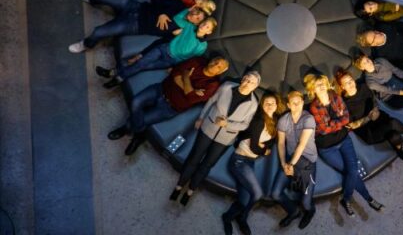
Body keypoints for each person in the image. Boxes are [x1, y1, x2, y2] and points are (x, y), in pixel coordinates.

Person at [170, 71, 261, 206]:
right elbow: (211, 101)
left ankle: (190, 190)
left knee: (208, 164)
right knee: (194, 158)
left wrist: (227, 124)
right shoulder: (227, 87)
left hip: (225, 138)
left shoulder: (253, 103)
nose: (248, 83)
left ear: (255, 86)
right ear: (242, 79)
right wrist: (201, 117)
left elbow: (245, 124)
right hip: (208, 128)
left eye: (252, 82)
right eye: (247, 79)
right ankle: (179, 186)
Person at [107, 56, 229, 155]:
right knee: (135, 102)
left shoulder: (212, 85)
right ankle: (140, 134)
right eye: (215, 60)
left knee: (142, 119)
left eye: (219, 66)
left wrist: (185, 76)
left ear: (221, 71)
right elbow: (175, 72)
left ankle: (128, 130)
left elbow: (191, 98)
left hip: (170, 107)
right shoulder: (197, 61)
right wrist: (189, 89)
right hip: (160, 89)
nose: (215, 64)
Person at [304, 73, 383, 216]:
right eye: (317, 85)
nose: (321, 86)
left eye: (322, 83)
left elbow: (345, 118)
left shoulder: (335, 96)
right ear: (313, 90)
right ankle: (368, 199)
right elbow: (323, 129)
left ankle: (350, 199)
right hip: (327, 148)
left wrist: (334, 123)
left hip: (344, 140)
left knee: (352, 171)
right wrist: (338, 121)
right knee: (349, 171)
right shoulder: (314, 107)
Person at [221, 92, 286, 235]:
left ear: (277, 105)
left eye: (272, 103)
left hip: (249, 162)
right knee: (257, 194)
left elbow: (272, 141)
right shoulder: (258, 120)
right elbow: (254, 147)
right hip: (239, 161)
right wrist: (264, 151)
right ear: (262, 105)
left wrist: (265, 145)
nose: (269, 106)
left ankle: (232, 218)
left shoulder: (274, 120)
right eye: (266, 103)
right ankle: (239, 218)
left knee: (244, 200)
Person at [68, 0, 214, 53]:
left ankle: (87, 45)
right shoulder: (178, 5)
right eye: (197, 13)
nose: (195, 17)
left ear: (196, 24)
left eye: (198, 20)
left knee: (98, 31)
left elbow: (165, 44)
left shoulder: (180, 31)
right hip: (135, 7)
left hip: (135, 25)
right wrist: (163, 13)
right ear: (195, 9)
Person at [335, 70, 403, 161]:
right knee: (392, 123)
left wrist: (375, 109)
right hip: (369, 131)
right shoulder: (343, 104)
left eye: (351, 80)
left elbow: (374, 100)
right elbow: (351, 125)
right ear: (342, 87)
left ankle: (399, 148)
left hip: (379, 118)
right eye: (346, 83)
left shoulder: (363, 87)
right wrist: (368, 117)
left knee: (394, 135)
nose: (351, 83)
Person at [102, 14, 217, 88]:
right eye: (204, 23)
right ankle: (117, 78)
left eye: (207, 27)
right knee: (141, 62)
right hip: (164, 48)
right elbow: (177, 19)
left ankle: (115, 72)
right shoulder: (190, 27)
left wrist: (175, 68)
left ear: (209, 32)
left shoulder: (202, 46)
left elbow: (189, 60)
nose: (203, 26)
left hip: (171, 61)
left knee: (144, 66)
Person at [271, 90, 317, 230]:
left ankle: (310, 211)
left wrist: (290, 164)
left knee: (306, 203)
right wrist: (284, 163)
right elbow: (280, 144)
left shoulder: (308, 119)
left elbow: (302, 145)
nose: (296, 105)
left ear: (303, 103)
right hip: (291, 160)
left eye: (299, 102)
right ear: (288, 105)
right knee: (275, 194)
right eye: (293, 103)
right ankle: (293, 211)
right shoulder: (283, 120)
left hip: (307, 161)